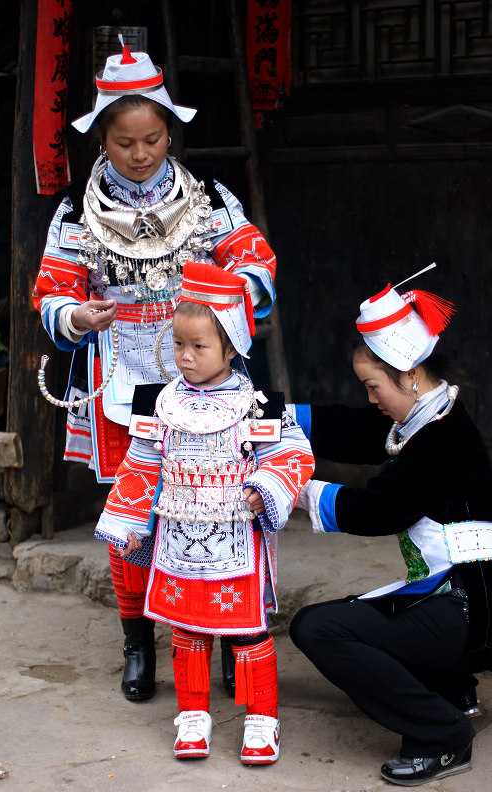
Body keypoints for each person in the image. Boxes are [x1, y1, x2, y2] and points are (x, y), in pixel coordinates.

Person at [32, 39, 277, 703]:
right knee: (133, 516)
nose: (141, 155)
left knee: (223, 501)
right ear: (102, 143)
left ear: (169, 132)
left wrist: (226, 300)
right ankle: (138, 642)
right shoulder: (74, 215)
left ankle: (228, 632)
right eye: (125, 143)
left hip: (210, 374)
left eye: (153, 139)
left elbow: (257, 262)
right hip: (124, 378)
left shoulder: (209, 199)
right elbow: (50, 291)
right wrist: (76, 318)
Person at [94, 261, 314, 764]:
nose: (186, 357)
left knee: (247, 631)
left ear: (232, 346)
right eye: (178, 344)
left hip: (238, 545)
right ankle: (192, 715)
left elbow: (293, 455)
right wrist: (128, 523)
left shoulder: (258, 407)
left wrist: (267, 485)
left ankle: (262, 718)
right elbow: (141, 464)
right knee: (188, 630)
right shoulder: (162, 405)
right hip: (177, 545)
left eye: (199, 346)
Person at [289, 274, 492, 786]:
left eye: (373, 386)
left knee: (318, 628)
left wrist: (292, 488)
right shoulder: (434, 416)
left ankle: (441, 734)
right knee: (394, 607)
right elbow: (356, 430)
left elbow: (377, 510)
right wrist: (272, 413)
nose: (372, 399)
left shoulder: (440, 440)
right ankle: (452, 688)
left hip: (472, 608)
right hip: (472, 599)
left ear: (410, 374)